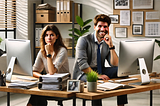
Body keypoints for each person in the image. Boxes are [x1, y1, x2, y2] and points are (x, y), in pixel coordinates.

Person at [72, 14, 128, 106]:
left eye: (105, 26)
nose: (102, 29)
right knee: (94, 80)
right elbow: (82, 64)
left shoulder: (106, 42)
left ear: (108, 28)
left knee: (120, 72)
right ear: (94, 27)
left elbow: (115, 64)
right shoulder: (83, 40)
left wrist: (111, 46)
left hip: (100, 70)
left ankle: (121, 105)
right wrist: (97, 75)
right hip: (83, 73)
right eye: (100, 26)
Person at [27, 24, 69, 106]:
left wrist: (48, 54)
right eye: (46, 35)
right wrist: (43, 78)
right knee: (36, 93)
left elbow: (52, 72)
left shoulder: (62, 51)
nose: (49, 38)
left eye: (51, 35)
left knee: (38, 95)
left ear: (57, 36)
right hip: (48, 83)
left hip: (61, 84)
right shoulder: (42, 51)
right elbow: (34, 71)